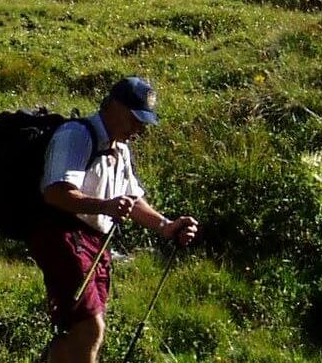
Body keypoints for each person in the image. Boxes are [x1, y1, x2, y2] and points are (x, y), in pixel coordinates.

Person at [34, 78, 200, 363]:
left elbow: (132, 199)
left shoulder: (119, 149)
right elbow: (56, 193)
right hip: (65, 238)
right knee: (89, 327)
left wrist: (166, 226)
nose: (139, 128)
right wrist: (104, 206)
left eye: (143, 122)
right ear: (114, 107)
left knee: (77, 330)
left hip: (95, 246)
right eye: (135, 119)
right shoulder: (76, 135)